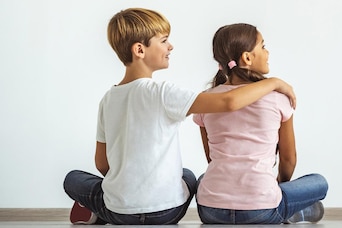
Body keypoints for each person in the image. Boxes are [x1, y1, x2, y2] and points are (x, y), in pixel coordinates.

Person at [62, 8, 297, 225]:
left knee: (73, 179)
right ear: (140, 50)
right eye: (164, 41)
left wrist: (126, 189)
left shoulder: (107, 100)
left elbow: (102, 164)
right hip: (167, 211)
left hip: (119, 210)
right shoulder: (163, 93)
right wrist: (275, 82)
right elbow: (229, 101)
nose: (171, 46)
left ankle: (97, 211)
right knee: (187, 176)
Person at [192, 23, 328, 225]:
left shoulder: (207, 100)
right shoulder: (278, 98)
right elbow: (289, 159)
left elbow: (212, 159)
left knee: (206, 177)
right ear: (247, 57)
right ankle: (290, 211)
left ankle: (286, 208)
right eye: (263, 46)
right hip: (260, 209)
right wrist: (278, 188)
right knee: (319, 183)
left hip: (211, 211)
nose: (267, 52)